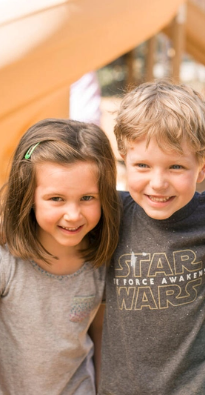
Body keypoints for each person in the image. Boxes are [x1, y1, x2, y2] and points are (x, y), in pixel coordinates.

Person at [99, 81, 205, 395]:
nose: (158, 183)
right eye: (142, 165)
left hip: (197, 387)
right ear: (123, 158)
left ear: (203, 165)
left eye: (176, 166)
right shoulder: (110, 213)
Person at [0, 118, 120, 394]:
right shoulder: (6, 259)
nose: (73, 214)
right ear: (28, 195)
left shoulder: (103, 257)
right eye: (56, 199)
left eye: (88, 198)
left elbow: (100, 330)